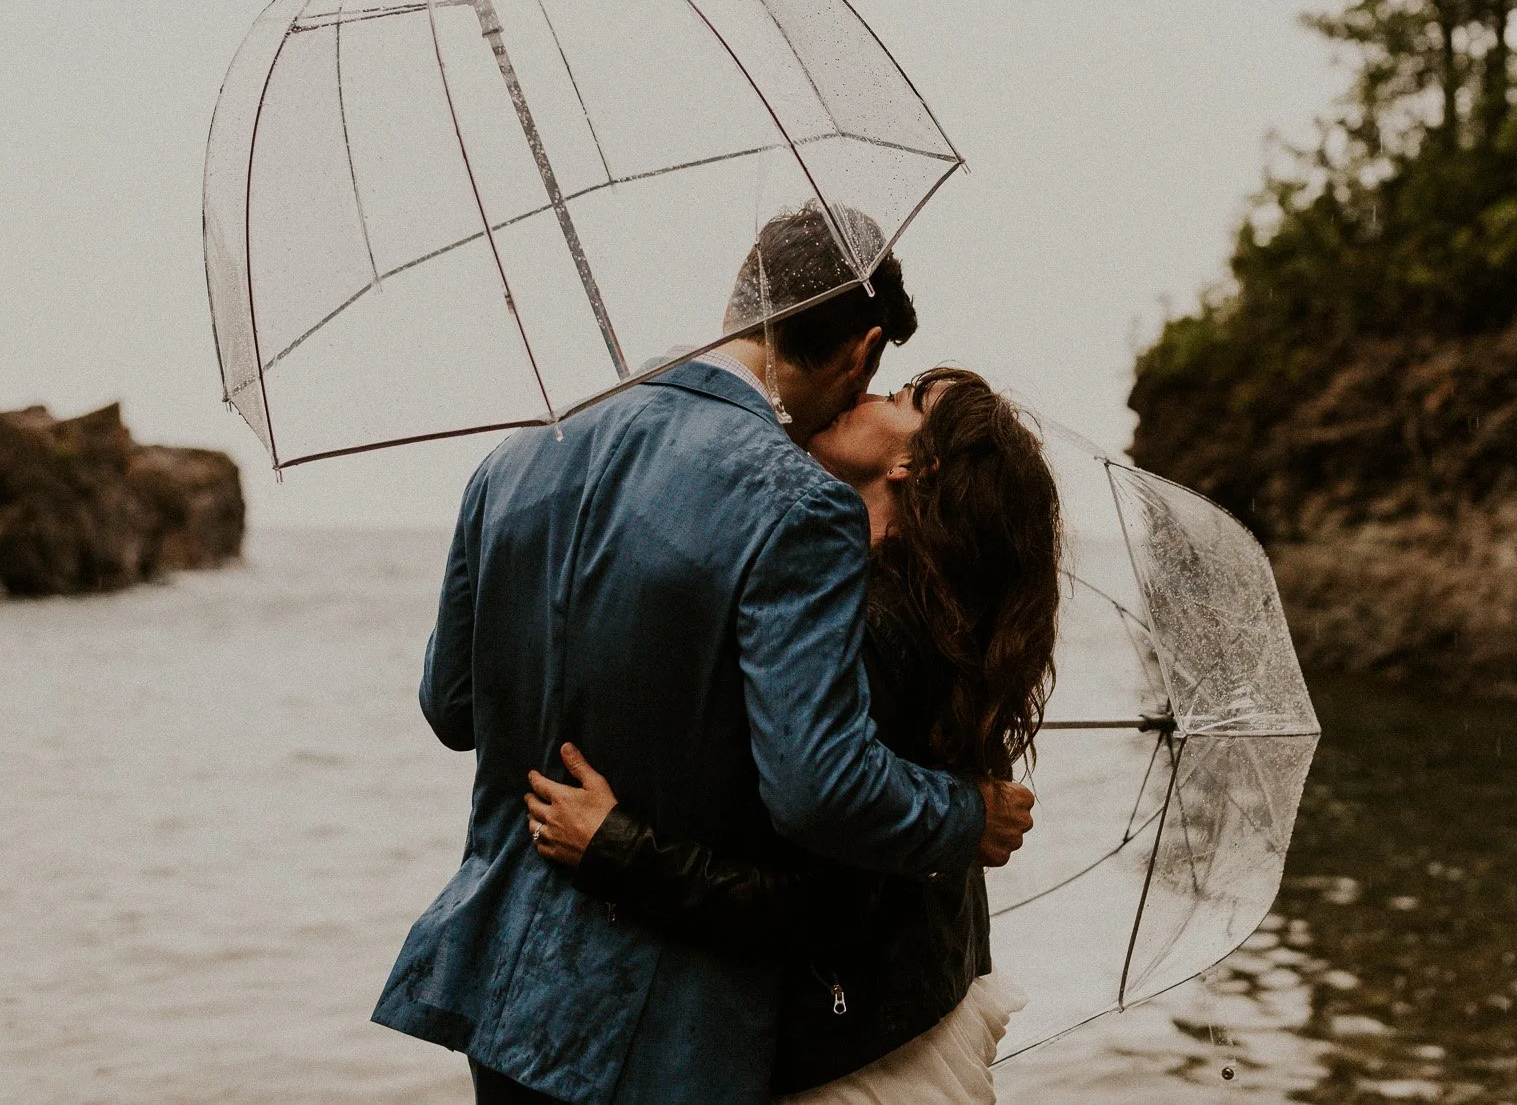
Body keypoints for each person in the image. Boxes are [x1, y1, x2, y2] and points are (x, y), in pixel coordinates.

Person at [372, 209, 1038, 1105]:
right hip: (664, 1030)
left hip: (504, 998)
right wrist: (965, 813)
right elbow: (818, 787)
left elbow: (450, 705)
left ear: (743, 297)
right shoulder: (801, 507)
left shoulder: (515, 455)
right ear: (864, 350)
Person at [524, 367, 1062, 1102]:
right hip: (916, 1019)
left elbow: (822, 906)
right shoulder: (925, 618)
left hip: (859, 1064)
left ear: (915, 464)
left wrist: (617, 849)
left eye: (899, 398)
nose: (867, 397)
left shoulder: (871, 628)